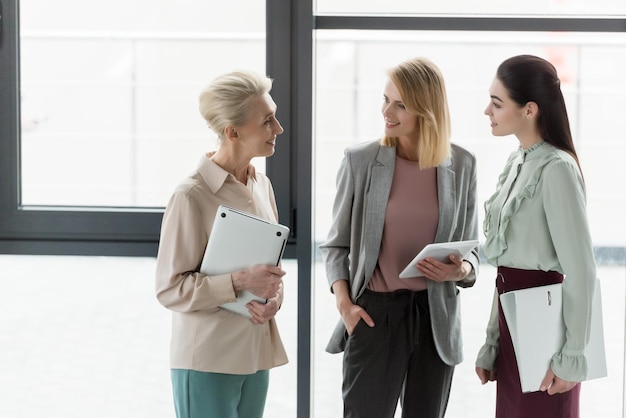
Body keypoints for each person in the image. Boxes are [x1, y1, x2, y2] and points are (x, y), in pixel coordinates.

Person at [319, 57, 479, 418]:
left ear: (427, 110)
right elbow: (335, 246)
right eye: (385, 99)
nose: (386, 111)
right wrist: (345, 305)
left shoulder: (463, 164)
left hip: (434, 318)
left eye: (400, 104)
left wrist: (460, 271)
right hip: (375, 313)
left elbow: (471, 253)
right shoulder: (360, 160)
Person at [155, 70, 288, 418]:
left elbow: (269, 270)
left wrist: (273, 299)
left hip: (255, 355)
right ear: (233, 132)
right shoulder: (191, 195)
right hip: (207, 360)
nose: (278, 129)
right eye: (268, 121)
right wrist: (240, 282)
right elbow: (170, 289)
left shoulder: (263, 185)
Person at [475, 54, 597, 418]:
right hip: (512, 325)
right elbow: (505, 268)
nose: (487, 111)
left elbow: (581, 271)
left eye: (497, 103)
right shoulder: (517, 161)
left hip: (545, 333)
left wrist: (572, 357)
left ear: (529, 109)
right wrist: (493, 342)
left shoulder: (557, 168)